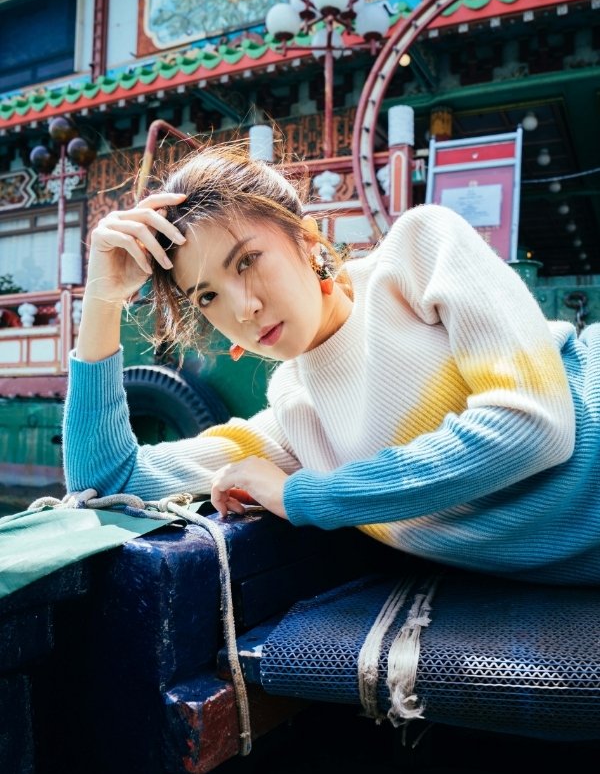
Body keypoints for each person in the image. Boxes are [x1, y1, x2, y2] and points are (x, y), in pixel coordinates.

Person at [63, 144, 600, 585]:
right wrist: (103, 297)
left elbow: (535, 427)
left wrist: (303, 496)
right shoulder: (296, 421)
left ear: (306, 238)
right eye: (207, 297)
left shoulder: (418, 254)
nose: (242, 309)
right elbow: (108, 480)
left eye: (247, 261)